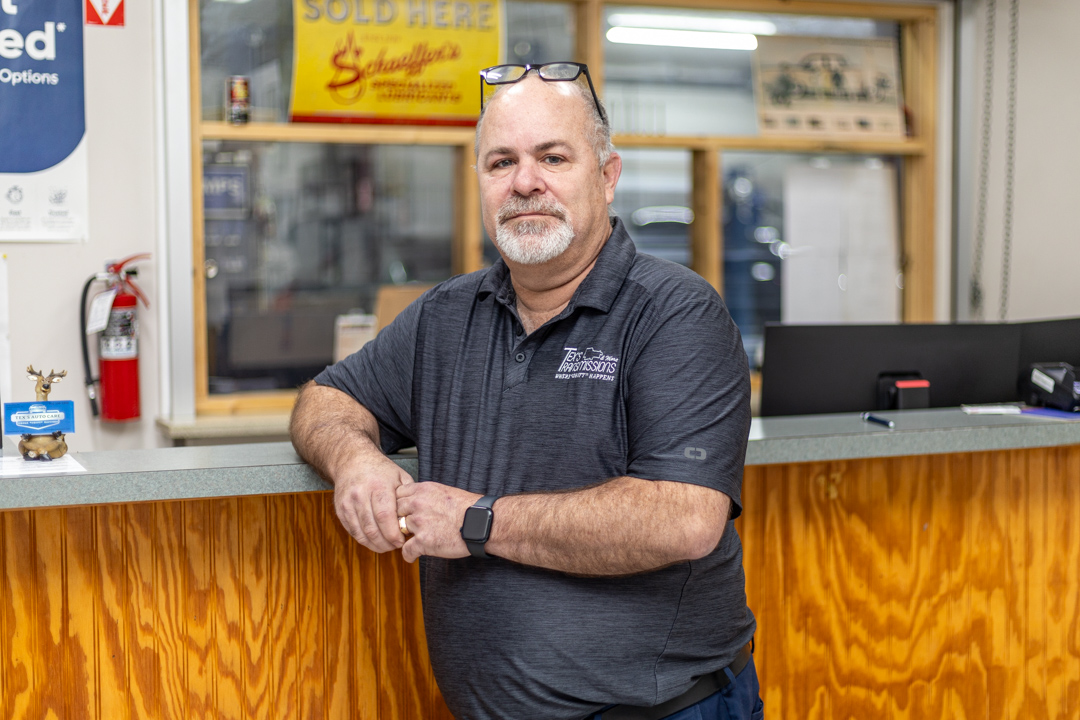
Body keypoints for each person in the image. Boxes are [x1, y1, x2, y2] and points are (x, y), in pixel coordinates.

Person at [290, 62, 762, 720]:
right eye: (501, 162)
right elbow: (324, 400)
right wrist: (357, 461)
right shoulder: (445, 316)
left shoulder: (675, 313)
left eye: (552, 157)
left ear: (607, 176)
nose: (524, 182)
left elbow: (683, 519)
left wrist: (477, 521)